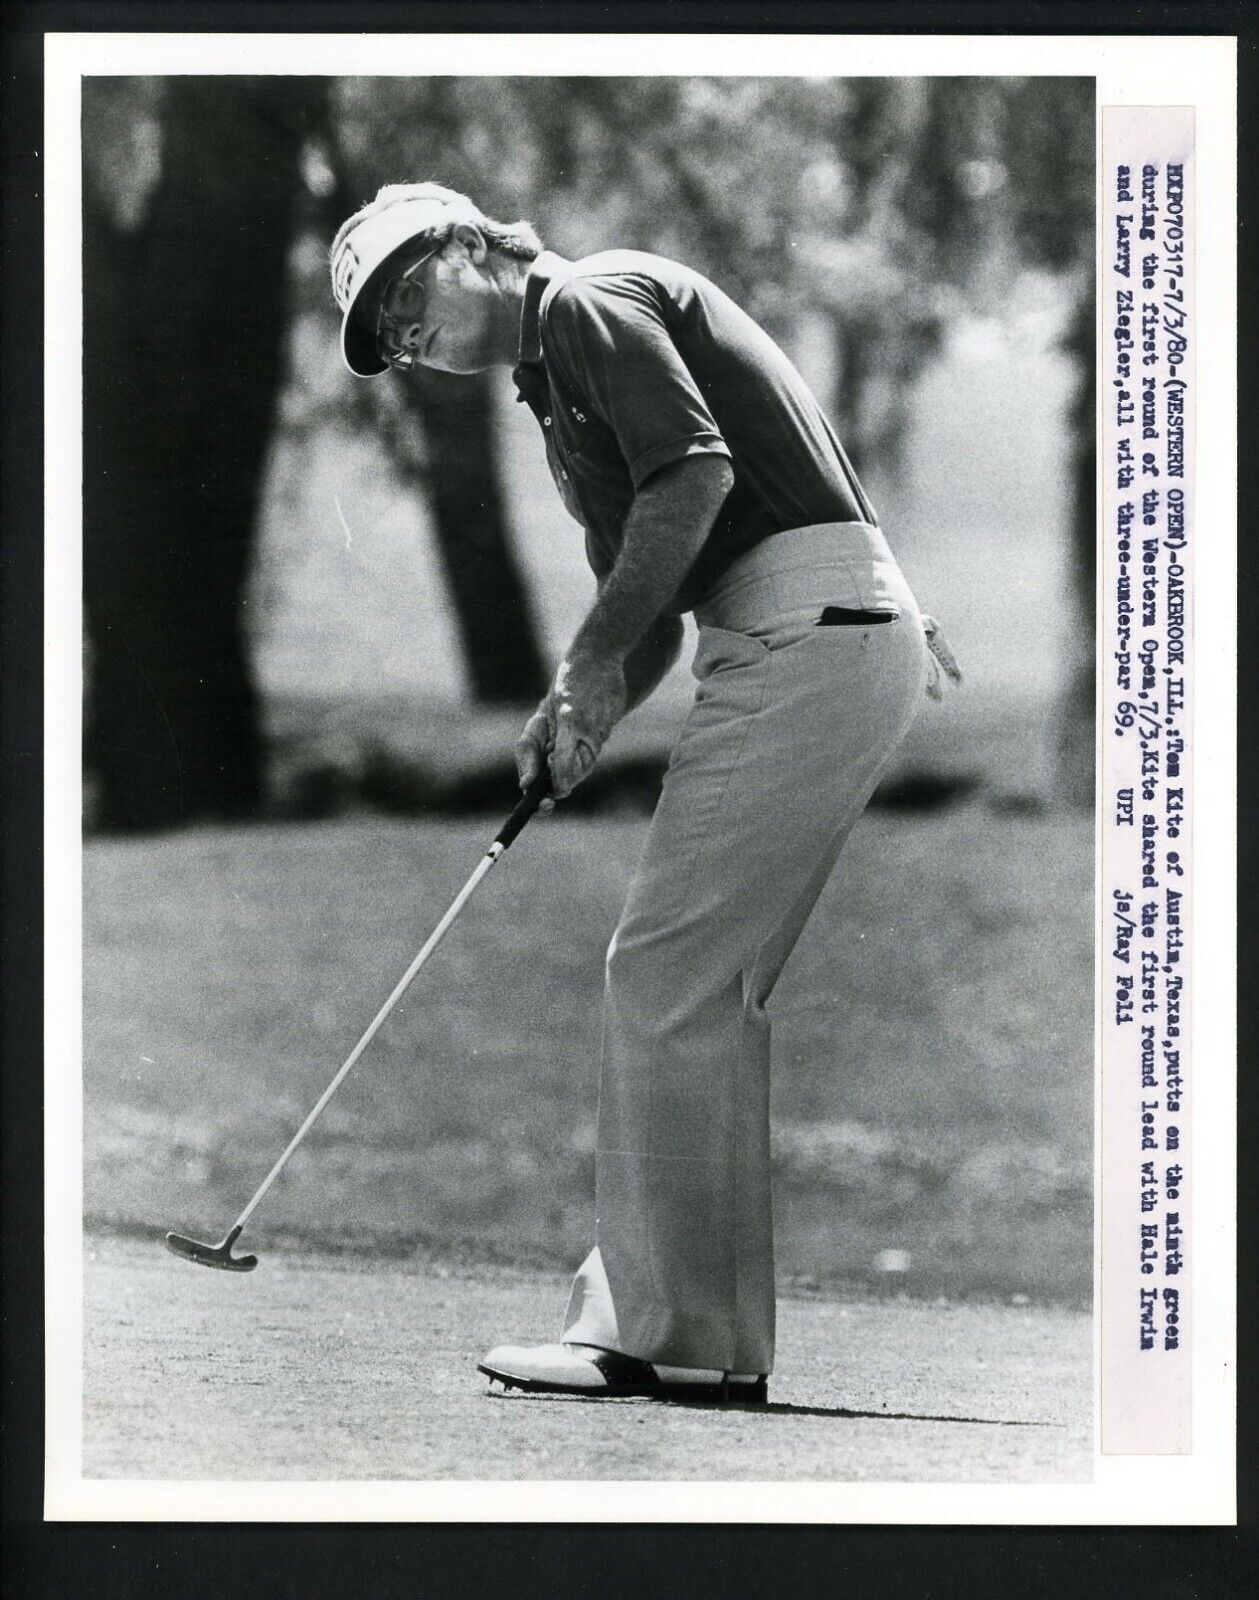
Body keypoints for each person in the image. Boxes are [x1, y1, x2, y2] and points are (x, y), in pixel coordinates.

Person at [331, 181, 959, 1404]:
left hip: (808, 627)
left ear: (472, 243)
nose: (416, 337)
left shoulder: (584, 298)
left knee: (662, 973)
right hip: (812, 634)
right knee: (701, 988)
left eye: (411, 293)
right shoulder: (559, 395)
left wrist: (578, 664)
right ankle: (695, 1335)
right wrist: (587, 709)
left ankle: (652, 1328)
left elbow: (695, 480)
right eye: (393, 337)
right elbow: (658, 608)